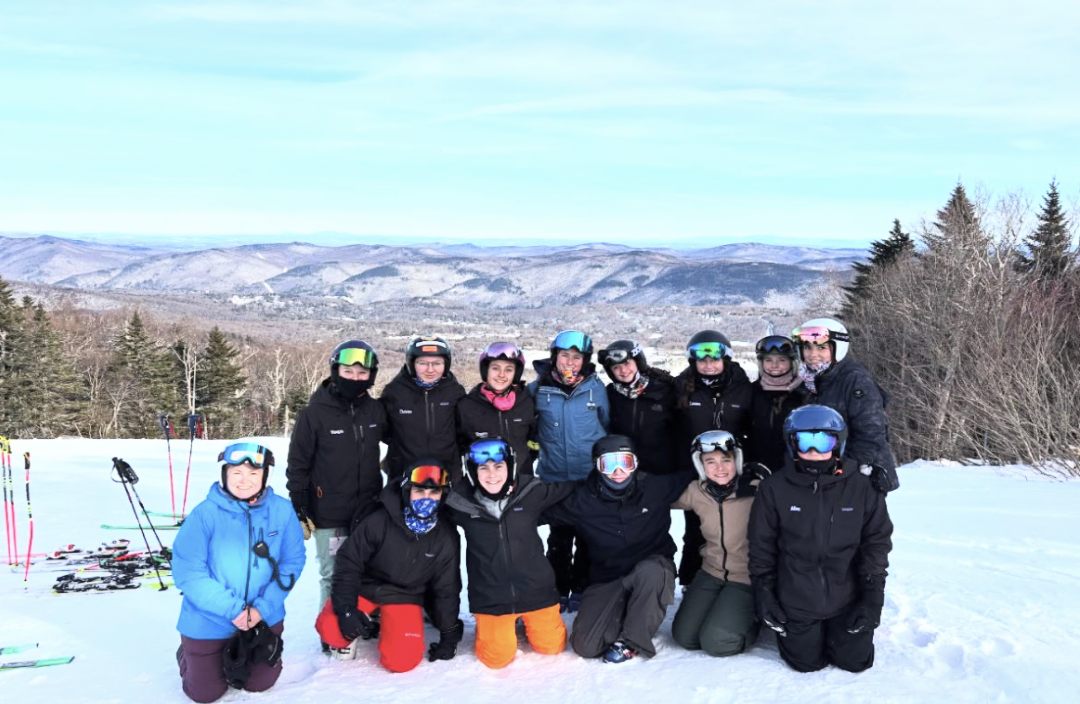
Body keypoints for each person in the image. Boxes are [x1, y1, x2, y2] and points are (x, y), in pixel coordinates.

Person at [749, 405, 893, 673]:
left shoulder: (862, 487)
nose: (814, 451)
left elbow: (877, 541)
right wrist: (764, 593)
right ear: (792, 443)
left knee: (856, 662)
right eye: (805, 440)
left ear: (838, 442)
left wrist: (872, 597)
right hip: (797, 598)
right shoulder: (774, 488)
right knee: (805, 664)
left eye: (823, 440)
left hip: (847, 595)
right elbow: (761, 545)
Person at [544, 435, 696, 663]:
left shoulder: (655, 487)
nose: (618, 471)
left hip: (651, 571)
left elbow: (702, 475)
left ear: (635, 463)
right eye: (609, 464)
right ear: (597, 466)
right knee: (585, 646)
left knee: (653, 571)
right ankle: (628, 609)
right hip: (608, 576)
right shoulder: (583, 499)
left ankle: (633, 640)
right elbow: (534, 509)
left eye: (624, 462)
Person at [173, 443, 305, 703]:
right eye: (237, 473)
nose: (245, 481)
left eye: (254, 474)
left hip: (263, 617)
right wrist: (234, 610)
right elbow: (188, 572)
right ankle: (189, 655)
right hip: (208, 619)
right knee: (204, 694)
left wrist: (261, 609)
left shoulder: (282, 510)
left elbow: (293, 561)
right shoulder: (204, 514)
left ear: (264, 476)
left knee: (260, 684)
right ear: (225, 474)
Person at [314, 459, 463, 673]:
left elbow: (446, 587)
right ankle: (363, 620)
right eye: (420, 491)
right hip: (366, 588)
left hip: (405, 596)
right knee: (332, 630)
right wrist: (345, 609)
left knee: (402, 661)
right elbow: (349, 563)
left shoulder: (445, 536)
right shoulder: (379, 519)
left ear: (443, 496)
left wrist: (449, 634)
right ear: (407, 491)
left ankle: (390, 626)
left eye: (434, 493)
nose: (426, 499)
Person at [444, 438, 575, 669]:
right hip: (492, 598)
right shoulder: (458, 503)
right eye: (483, 468)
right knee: (495, 659)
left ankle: (526, 621)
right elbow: (421, 504)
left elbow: (573, 490)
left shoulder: (531, 491)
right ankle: (502, 626)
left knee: (551, 647)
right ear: (473, 471)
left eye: (498, 466)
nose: (492, 474)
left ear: (510, 466)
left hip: (537, 591)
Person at [286, 340, 388, 608]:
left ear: (371, 376)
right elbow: (298, 462)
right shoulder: (315, 414)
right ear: (335, 371)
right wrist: (300, 501)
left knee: (370, 568)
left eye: (362, 373)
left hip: (369, 507)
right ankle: (331, 630)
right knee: (332, 573)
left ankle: (364, 618)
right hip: (329, 510)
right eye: (348, 372)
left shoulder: (376, 411)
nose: (355, 378)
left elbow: (403, 443)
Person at [528, 330, 610, 612]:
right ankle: (559, 590)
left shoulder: (596, 389)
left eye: (577, 357)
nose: (570, 362)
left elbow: (608, 425)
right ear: (555, 357)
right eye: (565, 356)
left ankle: (582, 589)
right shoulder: (538, 389)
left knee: (588, 539)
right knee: (559, 541)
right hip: (554, 480)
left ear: (585, 360)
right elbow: (526, 425)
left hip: (589, 479)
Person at [670, 430, 765, 658]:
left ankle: (756, 622)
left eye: (726, 459)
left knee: (718, 643)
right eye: (710, 461)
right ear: (700, 465)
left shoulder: (757, 489)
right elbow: (655, 498)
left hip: (746, 578)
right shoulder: (696, 491)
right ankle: (724, 612)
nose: (719, 468)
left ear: (737, 460)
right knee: (685, 637)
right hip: (710, 573)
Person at [673, 330, 753, 586]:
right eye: (702, 360)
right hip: (695, 472)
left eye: (714, 359)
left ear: (725, 359)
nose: (708, 365)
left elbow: (755, 427)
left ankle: (736, 580)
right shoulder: (680, 388)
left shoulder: (743, 389)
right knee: (695, 532)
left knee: (733, 530)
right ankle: (690, 582)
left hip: (732, 471)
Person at [792, 318, 899, 493]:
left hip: (860, 475)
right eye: (807, 347)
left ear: (837, 349)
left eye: (821, 348)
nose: (812, 354)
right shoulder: (810, 381)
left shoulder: (855, 380)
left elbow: (871, 433)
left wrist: (845, 470)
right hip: (823, 474)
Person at [381, 336, 467, 483]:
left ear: (446, 364)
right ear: (411, 364)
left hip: (447, 476)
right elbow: (384, 431)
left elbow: (463, 431)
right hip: (404, 476)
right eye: (422, 363)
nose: (430, 370)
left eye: (437, 363)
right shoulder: (395, 392)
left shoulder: (455, 392)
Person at [598, 339, 680, 476]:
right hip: (626, 470)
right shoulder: (611, 395)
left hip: (662, 471)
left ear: (638, 362)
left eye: (626, 363)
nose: (623, 370)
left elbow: (680, 432)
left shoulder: (664, 390)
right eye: (616, 367)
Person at [456, 341, 538, 476]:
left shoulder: (526, 402)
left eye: (508, 370)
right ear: (486, 370)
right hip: (486, 482)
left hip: (522, 480)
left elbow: (534, 440)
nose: (502, 374)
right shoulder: (467, 406)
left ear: (515, 374)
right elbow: (460, 446)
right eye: (495, 368)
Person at [746, 335, 806, 473]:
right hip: (758, 470)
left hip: (795, 471)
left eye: (782, 360)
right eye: (768, 360)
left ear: (792, 362)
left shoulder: (804, 395)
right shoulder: (751, 392)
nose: (774, 365)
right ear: (761, 363)